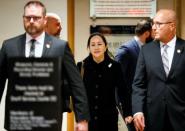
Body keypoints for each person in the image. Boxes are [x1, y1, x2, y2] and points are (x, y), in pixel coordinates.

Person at [0, 1, 89, 131]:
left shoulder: (60, 47)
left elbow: (76, 84)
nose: (31, 21)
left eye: (36, 18)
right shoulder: (9, 46)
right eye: (27, 17)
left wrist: (82, 119)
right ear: (23, 18)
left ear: (44, 20)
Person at [132, 9, 185, 131]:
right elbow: (138, 85)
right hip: (152, 118)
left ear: (172, 26)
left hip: (181, 118)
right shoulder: (146, 51)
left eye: (158, 24)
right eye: (153, 23)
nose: (154, 28)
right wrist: (138, 111)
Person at [77, 32, 130, 131]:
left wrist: (127, 113)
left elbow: (123, 92)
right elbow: (77, 95)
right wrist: (79, 118)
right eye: (93, 45)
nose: (96, 47)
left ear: (105, 47)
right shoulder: (81, 66)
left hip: (109, 119)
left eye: (99, 44)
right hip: (88, 119)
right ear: (88, 48)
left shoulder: (115, 66)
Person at [115, 19, 153, 131]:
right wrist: (124, 108)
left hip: (145, 103)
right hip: (129, 104)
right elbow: (117, 81)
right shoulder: (125, 50)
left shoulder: (148, 48)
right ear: (147, 34)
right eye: (153, 32)